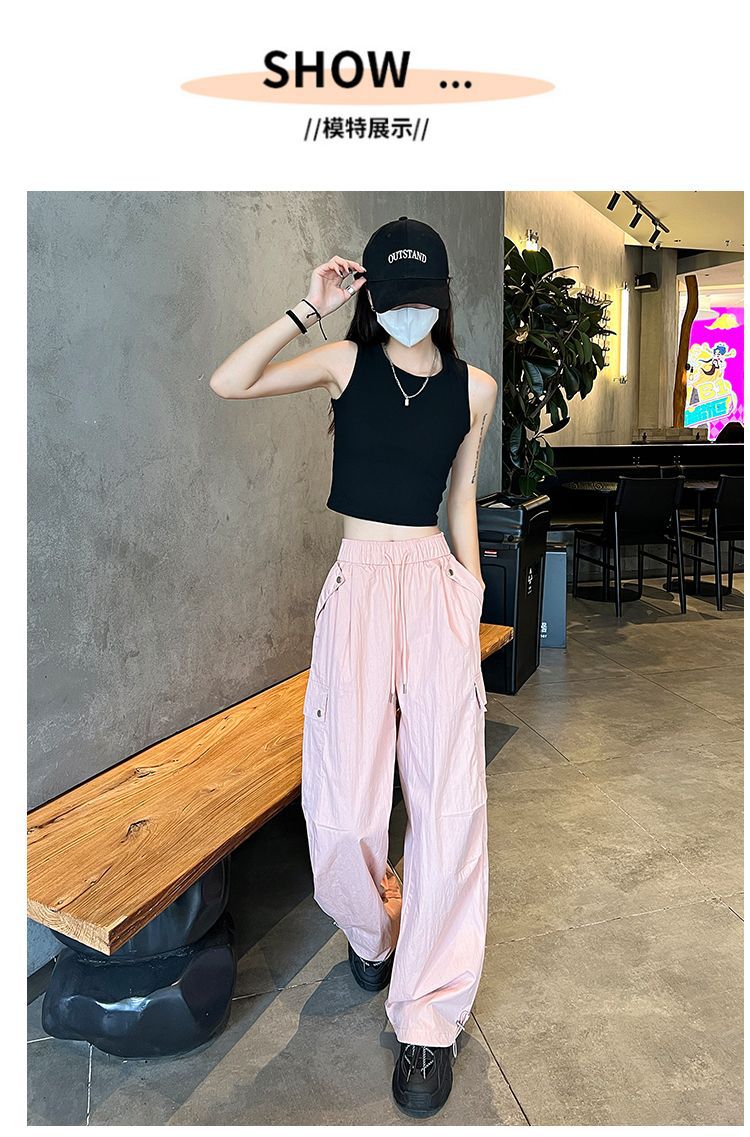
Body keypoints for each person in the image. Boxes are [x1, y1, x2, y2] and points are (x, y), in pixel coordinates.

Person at [210, 216, 498, 1117]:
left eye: (423, 298)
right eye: (396, 296)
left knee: (448, 801)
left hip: (434, 586)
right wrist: (311, 307)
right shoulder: (346, 363)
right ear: (374, 293)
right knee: (341, 810)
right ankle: (374, 931)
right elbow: (230, 380)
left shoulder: (475, 388)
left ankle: (429, 1015)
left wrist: (470, 594)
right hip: (360, 587)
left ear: (441, 298)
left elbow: (460, 494)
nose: (411, 313)